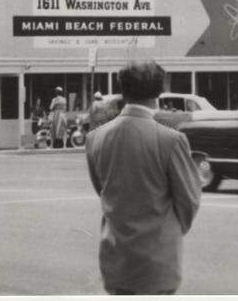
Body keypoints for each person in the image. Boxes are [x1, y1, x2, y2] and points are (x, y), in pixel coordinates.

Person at [85, 61, 202, 296]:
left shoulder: (95, 138)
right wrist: (169, 232)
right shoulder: (172, 140)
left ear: (123, 90)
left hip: (115, 258)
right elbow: (188, 200)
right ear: (158, 92)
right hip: (158, 262)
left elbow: (102, 190)